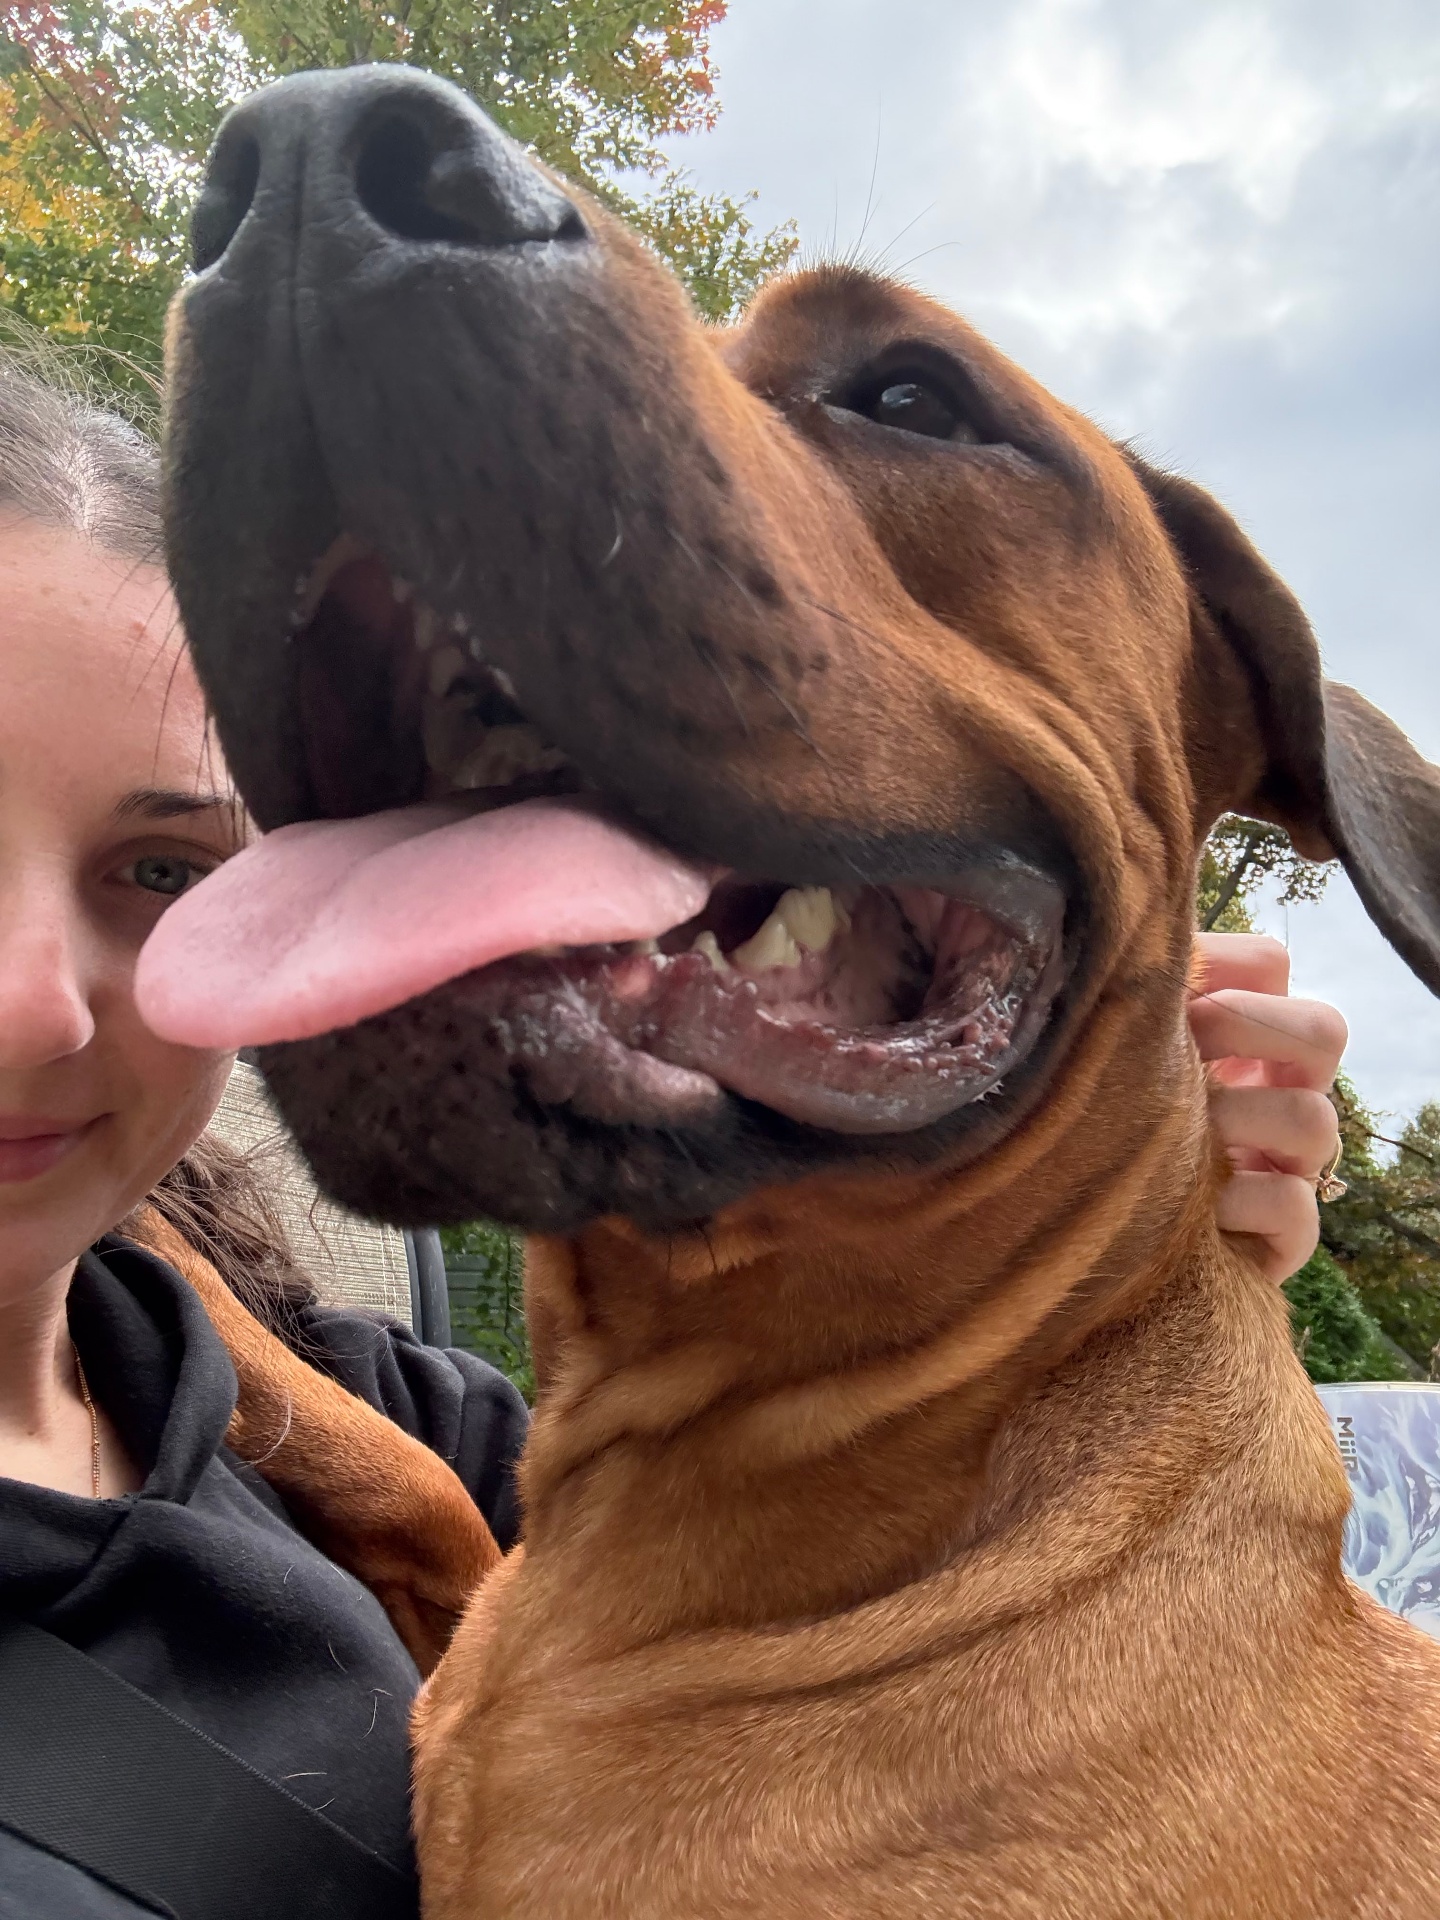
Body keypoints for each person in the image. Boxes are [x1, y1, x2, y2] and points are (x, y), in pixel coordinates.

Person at [0, 338, 1347, 1916]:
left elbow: (864, 1569)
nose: (36, 1010)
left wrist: (1091, 1181)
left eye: (164, 869)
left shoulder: (334, 1409)